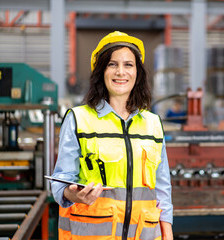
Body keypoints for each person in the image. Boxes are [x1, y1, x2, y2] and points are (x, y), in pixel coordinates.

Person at [51, 31, 173, 240]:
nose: (121, 72)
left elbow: (162, 189)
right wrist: (74, 194)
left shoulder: (152, 123)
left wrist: (167, 232)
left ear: (137, 72)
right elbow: (60, 182)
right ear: (101, 71)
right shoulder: (78, 119)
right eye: (112, 64)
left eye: (128, 65)